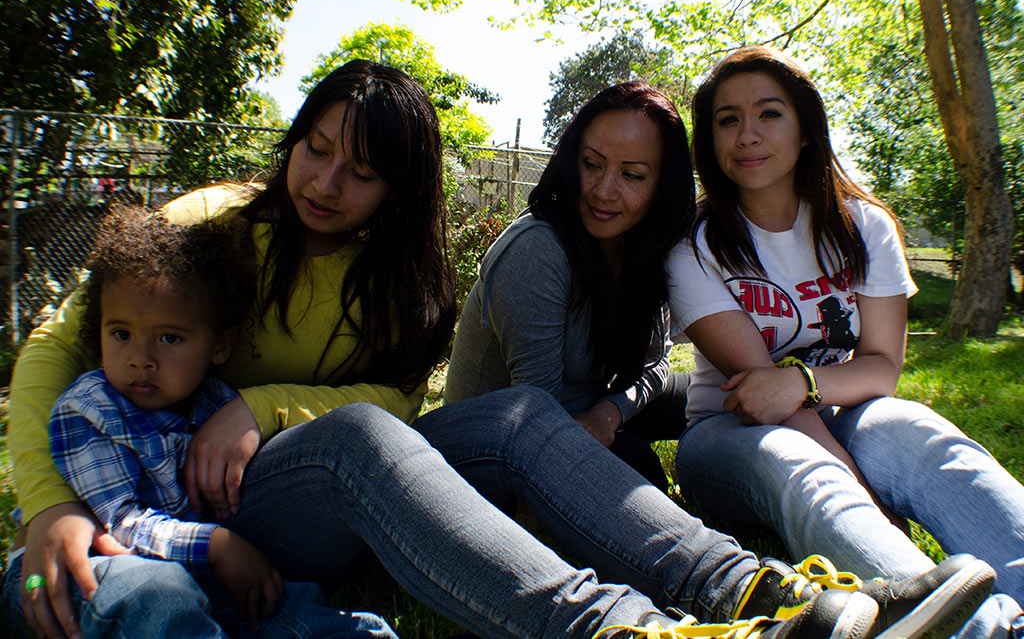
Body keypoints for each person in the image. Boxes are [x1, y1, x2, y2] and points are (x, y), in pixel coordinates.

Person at [0, 58, 991, 639]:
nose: (328, 182)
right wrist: (48, 508)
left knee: (519, 420)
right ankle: (621, 631)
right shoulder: (221, 220)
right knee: (371, 431)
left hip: (306, 474)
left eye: (362, 170)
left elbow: (399, 396)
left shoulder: (402, 272)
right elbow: (63, 341)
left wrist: (258, 407)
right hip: (201, 496)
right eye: (315, 149)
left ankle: (758, 592)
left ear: (399, 188)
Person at [667, 44, 1024, 639]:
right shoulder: (694, 245)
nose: (747, 134)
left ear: (806, 127)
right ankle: (974, 631)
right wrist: (858, 483)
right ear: (711, 141)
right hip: (727, 438)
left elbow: (881, 368)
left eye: (769, 113)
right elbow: (762, 400)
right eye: (727, 120)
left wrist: (804, 380)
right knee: (801, 463)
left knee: (917, 430)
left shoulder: (863, 226)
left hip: (839, 409)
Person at [47, 206, 397, 638]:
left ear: (220, 345)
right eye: (120, 333)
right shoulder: (87, 410)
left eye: (169, 338)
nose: (140, 357)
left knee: (300, 607)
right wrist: (217, 545)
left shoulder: (213, 402)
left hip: (204, 575)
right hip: (102, 573)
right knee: (163, 599)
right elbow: (119, 524)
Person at [445, 80, 692, 491]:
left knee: (704, 397)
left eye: (632, 175)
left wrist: (608, 415)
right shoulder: (538, 249)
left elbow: (655, 363)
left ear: (661, 187)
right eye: (591, 164)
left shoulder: (644, 251)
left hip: (585, 413)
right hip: (493, 447)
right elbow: (533, 412)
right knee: (639, 469)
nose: (603, 190)